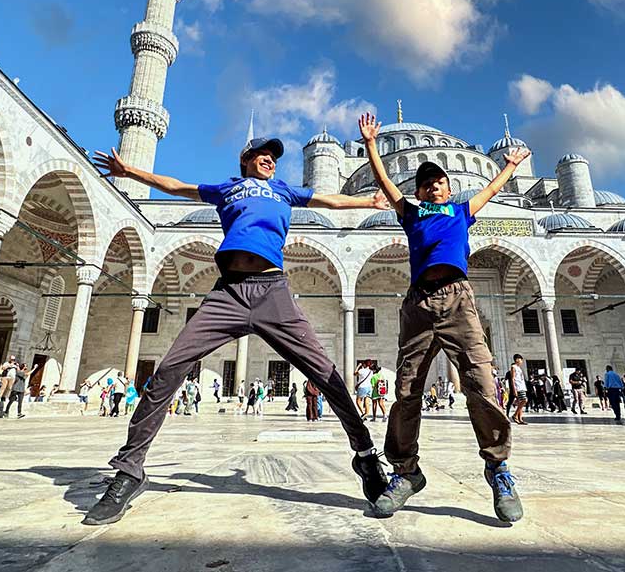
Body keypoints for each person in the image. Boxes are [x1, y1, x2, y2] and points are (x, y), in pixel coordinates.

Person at [83, 125, 393, 527]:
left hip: (273, 292)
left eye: (275, 156)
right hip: (227, 293)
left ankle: (367, 459)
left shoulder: (283, 190)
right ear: (246, 158)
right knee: (167, 374)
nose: (270, 159)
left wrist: (368, 202)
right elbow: (176, 186)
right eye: (263, 154)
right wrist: (131, 173)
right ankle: (129, 471)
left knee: (326, 375)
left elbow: (328, 200)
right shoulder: (228, 188)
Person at [358, 113, 525, 523]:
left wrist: (510, 166)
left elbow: (490, 191)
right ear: (418, 191)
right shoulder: (412, 213)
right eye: (426, 183)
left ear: (449, 187)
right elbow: (383, 182)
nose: (433, 185)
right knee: (406, 390)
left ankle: (498, 467)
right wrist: (371, 145)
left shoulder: (462, 210)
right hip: (418, 302)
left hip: (458, 300)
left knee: (483, 384)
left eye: (439, 181)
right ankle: (406, 472)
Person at [510, 356, 528, 425]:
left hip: (522, 386)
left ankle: (520, 419)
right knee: (524, 400)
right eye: (521, 360)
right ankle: (515, 415)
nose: (521, 361)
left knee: (520, 403)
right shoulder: (513, 367)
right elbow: (512, 379)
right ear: (517, 359)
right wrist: (514, 389)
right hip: (518, 387)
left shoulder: (519, 368)